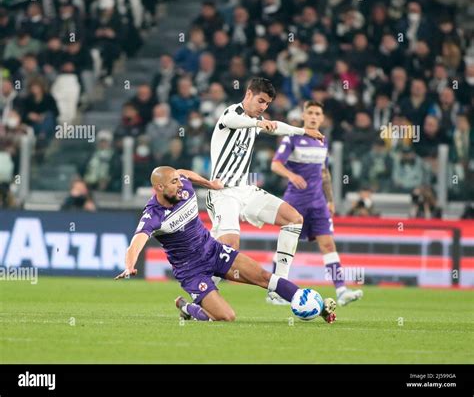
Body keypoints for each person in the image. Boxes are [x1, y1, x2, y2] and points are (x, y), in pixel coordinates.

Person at [114, 166, 336, 323]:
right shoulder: (153, 215)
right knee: (226, 317)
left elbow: (185, 173)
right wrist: (129, 264)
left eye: (179, 180)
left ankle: (312, 305)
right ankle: (188, 307)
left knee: (264, 277)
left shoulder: (184, 187)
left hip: (214, 251)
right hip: (192, 272)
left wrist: (208, 183)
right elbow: (136, 243)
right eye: (173, 182)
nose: (180, 183)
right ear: (159, 188)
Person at [206, 77, 324, 304]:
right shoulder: (231, 113)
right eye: (260, 101)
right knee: (229, 247)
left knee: (293, 219)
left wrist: (303, 132)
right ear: (248, 94)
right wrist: (258, 123)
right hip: (223, 192)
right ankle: (202, 294)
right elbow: (234, 121)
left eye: (267, 104)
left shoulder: (256, 120)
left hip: (246, 191)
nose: (263, 107)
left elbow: (277, 126)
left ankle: (279, 287)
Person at [272, 101, 363, 306]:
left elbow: (324, 172)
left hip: (318, 203)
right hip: (295, 200)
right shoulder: (292, 138)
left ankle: (341, 291)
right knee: (287, 245)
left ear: (322, 118)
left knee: (328, 244)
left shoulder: (323, 140)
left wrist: (330, 199)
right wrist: (291, 175)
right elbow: (275, 164)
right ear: (304, 115)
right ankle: (275, 291)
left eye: (318, 113)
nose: (313, 116)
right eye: (310, 112)